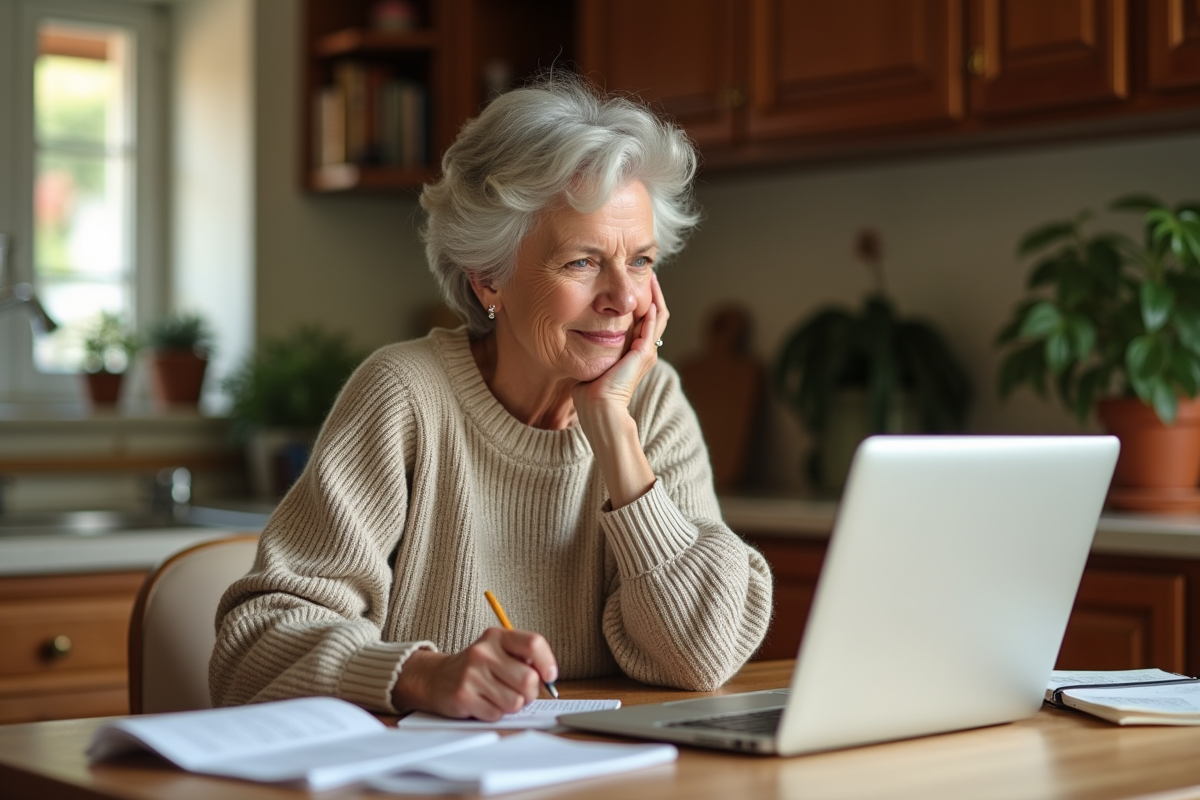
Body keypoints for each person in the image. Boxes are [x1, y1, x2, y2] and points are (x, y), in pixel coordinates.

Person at [210, 76, 773, 722]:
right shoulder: (404, 397)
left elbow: (700, 655)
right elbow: (250, 650)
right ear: (488, 280)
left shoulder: (652, 401)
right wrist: (421, 675)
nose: (623, 298)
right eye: (583, 263)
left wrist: (614, 433)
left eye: (641, 261)